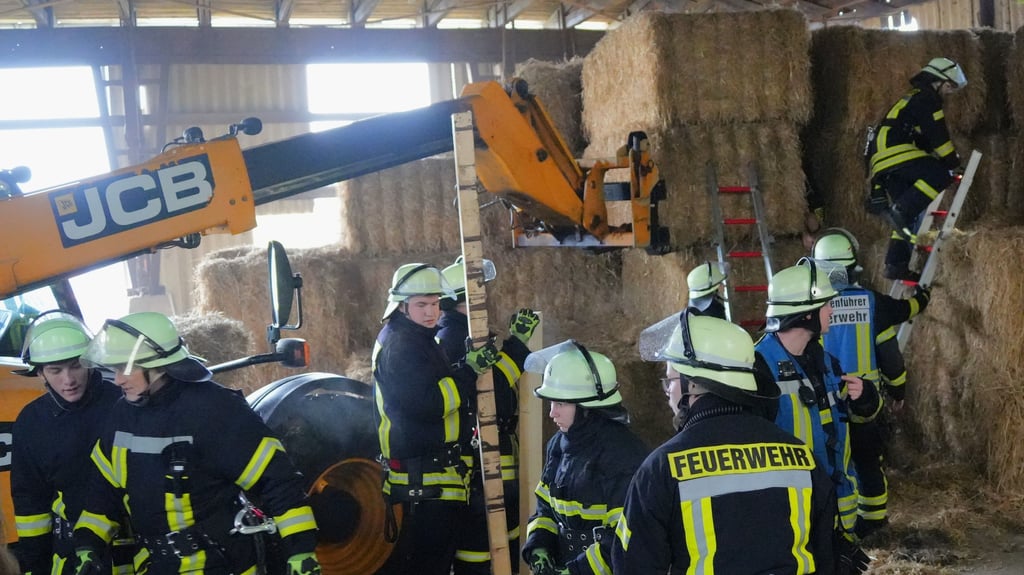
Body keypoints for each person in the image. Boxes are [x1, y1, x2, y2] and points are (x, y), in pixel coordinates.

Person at [67, 312, 321, 575]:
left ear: (158, 366)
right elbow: (102, 493)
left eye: (125, 368)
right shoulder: (122, 415)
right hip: (158, 565)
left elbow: (277, 481)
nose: (117, 379)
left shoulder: (215, 411)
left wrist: (300, 552)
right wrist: (88, 546)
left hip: (221, 564)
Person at [613, 311, 836, 574]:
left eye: (670, 381)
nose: (666, 392)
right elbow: (828, 555)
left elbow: (633, 566)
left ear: (692, 385)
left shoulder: (661, 469)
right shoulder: (802, 456)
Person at [755, 260, 882, 574]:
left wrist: (865, 398)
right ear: (806, 313)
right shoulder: (759, 368)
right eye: (826, 305)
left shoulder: (825, 360)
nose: (832, 311)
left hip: (834, 513)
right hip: (790, 518)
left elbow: (854, 419)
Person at [372, 263, 500, 575]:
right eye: (421, 305)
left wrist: (463, 366)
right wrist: (469, 371)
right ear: (402, 306)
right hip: (424, 483)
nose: (431, 313)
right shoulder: (401, 345)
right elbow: (430, 403)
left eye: (434, 304)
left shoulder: (418, 337)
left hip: (434, 477)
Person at [813, 228, 931, 538]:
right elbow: (892, 349)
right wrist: (898, 390)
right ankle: (875, 523)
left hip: (824, 404)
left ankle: (837, 527)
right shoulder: (872, 303)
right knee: (867, 460)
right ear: (853, 266)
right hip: (864, 403)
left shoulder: (808, 307)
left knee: (833, 462)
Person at [436, 257, 539, 575]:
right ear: (460, 300)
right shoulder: (454, 337)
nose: (485, 298)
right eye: (478, 293)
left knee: (500, 538)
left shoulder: (459, 334)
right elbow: (490, 392)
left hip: (489, 459)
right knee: (483, 546)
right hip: (484, 461)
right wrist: (517, 347)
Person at [11, 312, 131, 575]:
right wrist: (35, 567)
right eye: (55, 370)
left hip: (137, 548)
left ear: (89, 362)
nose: (68, 379)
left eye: (75, 365)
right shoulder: (31, 423)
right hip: (73, 554)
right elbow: (30, 506)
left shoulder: (123, 405)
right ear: (40, 373)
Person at [521, 343, 648, 575]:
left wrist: (578, 571)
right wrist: (540, 545)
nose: (552, 413)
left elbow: (623, 535)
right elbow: (545, 508)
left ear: (587, 406)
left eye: (560, 403)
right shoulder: (558, 445)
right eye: (552, 402)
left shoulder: (622, 453)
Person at [864, 57, 967, 281]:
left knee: (907, 216)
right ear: (936, 81)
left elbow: (923, 140)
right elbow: (938, 136)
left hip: (882, 159)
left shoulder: (912, 99)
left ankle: (895, 265)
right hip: (893, 152)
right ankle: (900, 209)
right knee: (941, 174)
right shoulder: (927, 99)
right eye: (949, 86)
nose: (949, 92)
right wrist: (953, 161)